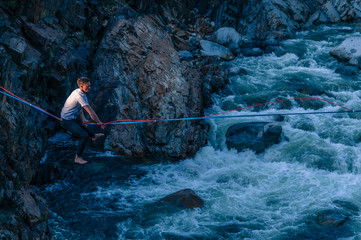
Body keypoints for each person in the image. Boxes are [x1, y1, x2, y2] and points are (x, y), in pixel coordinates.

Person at [60, 77, 105, 164]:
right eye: (87, 86)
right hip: (66, 121)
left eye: (90, 86)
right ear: (81, 86)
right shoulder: (80, 96)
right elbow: (91, 112)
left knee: (83, 126)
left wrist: (83, 119)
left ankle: (93, 136)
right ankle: (78, 157)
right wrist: (99, 122)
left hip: (72, 117)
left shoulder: (78, 92)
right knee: (84, 136)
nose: (89, 88)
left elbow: (79, 107)